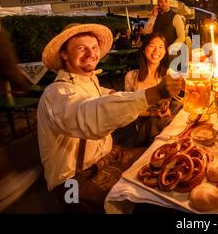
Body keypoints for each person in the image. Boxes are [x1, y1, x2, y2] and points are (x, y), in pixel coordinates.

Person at [37, 23, 182, 213]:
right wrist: (152, 94)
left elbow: (111, 99)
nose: (90, 53)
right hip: (75, 179)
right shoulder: (56, 93)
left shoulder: (91, 82)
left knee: (164, 158)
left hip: (108, 156)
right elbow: (89, 116)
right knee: (145, 201)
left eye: (94, 47)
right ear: (64, 54)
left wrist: (152, 109)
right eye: (81, 48)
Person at [124, 33, 180, 146]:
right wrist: (152, 114)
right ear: (144, 49)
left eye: (161, 47)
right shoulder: (131, 77)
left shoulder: (169, 74)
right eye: (152, 46)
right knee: (155, 122)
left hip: (165, 120)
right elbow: (128, 109)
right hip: (145, 125)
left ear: (164, 52)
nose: (156, 51)